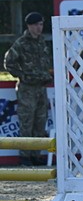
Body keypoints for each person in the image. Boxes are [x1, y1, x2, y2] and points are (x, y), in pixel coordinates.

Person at [3, 12, 53, 166]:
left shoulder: (42, 42)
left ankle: (36, 155)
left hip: (40, 87)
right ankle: (25, 157)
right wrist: (22, 76)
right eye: (36, 25)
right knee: (27, 123)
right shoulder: (21, 43)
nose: (39, 28)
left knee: (40, 122)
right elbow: (9, 62)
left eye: (41, 24)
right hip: (27, 89)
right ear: (29, 26)